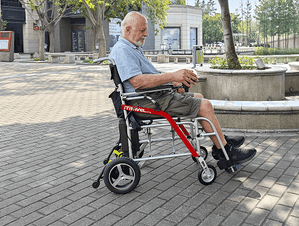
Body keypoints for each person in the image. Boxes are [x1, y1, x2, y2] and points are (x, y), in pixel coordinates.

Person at [109, 11, 256, 169]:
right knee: (204, 106)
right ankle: (226, 153)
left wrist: (172, 83)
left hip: (151, 97)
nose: (146, 33)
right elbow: (138, 82)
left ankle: (220, 142)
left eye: (146, 29)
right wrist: (172, 77)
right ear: (128, 29)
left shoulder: (130, 47)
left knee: (199, 97)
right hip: (147, 101)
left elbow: (142, 80)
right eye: (142, 30)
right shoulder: (124, 50)